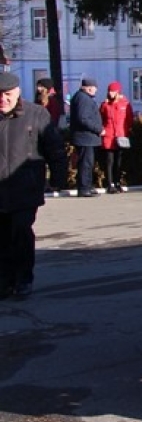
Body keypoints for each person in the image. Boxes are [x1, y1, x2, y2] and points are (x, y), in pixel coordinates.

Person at [0, 71, 67, 299]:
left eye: (7, 94)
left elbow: (55, 149)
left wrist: (58, 179)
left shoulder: (36, 115)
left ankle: (23, 279)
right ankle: (5, 281)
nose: (3, 100)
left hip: (24, 189)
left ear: (17, 92)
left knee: (20, 233)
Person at [69, 78, 104, 197]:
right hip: (85, 138)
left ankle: (87, 185)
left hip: (87, 138)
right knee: (86, 163)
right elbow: (83, 118)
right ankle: (84, 188)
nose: (96, 90)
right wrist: (98, 129)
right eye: (95, 87)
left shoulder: (82, 97)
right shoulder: (83, 99)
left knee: (88, 163)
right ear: (88, 87)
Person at [98, 81, 133, 194]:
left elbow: (129, 119)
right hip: (109, 136)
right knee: (109, 161)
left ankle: (117, 182)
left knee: (119, 161)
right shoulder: (105, 105)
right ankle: (110, 183)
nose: (110, 93)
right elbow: (101, 118)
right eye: (109, 91)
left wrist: (126, 131)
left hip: (121, 136)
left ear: (118, 92)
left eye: (112, 91)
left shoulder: (124, 104)